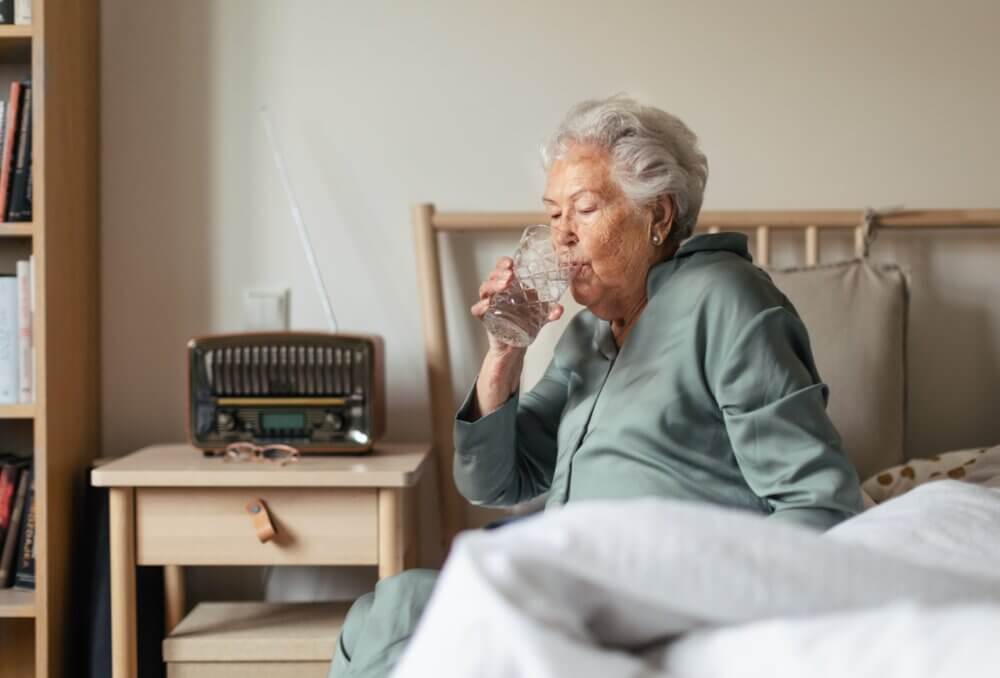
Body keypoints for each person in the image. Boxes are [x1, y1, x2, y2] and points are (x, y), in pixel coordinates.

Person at [329, 95, 864, 677]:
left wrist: (696, 612)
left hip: (652, 596)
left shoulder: (727, 300)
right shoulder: (588, 334)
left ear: (658, 217)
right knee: (381, 612)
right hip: (568, 584)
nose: (561, 237)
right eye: (553, 214)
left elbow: (818, 502)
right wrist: (503, 356)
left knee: (403, 615)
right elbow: (492, 480)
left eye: (583, 209)